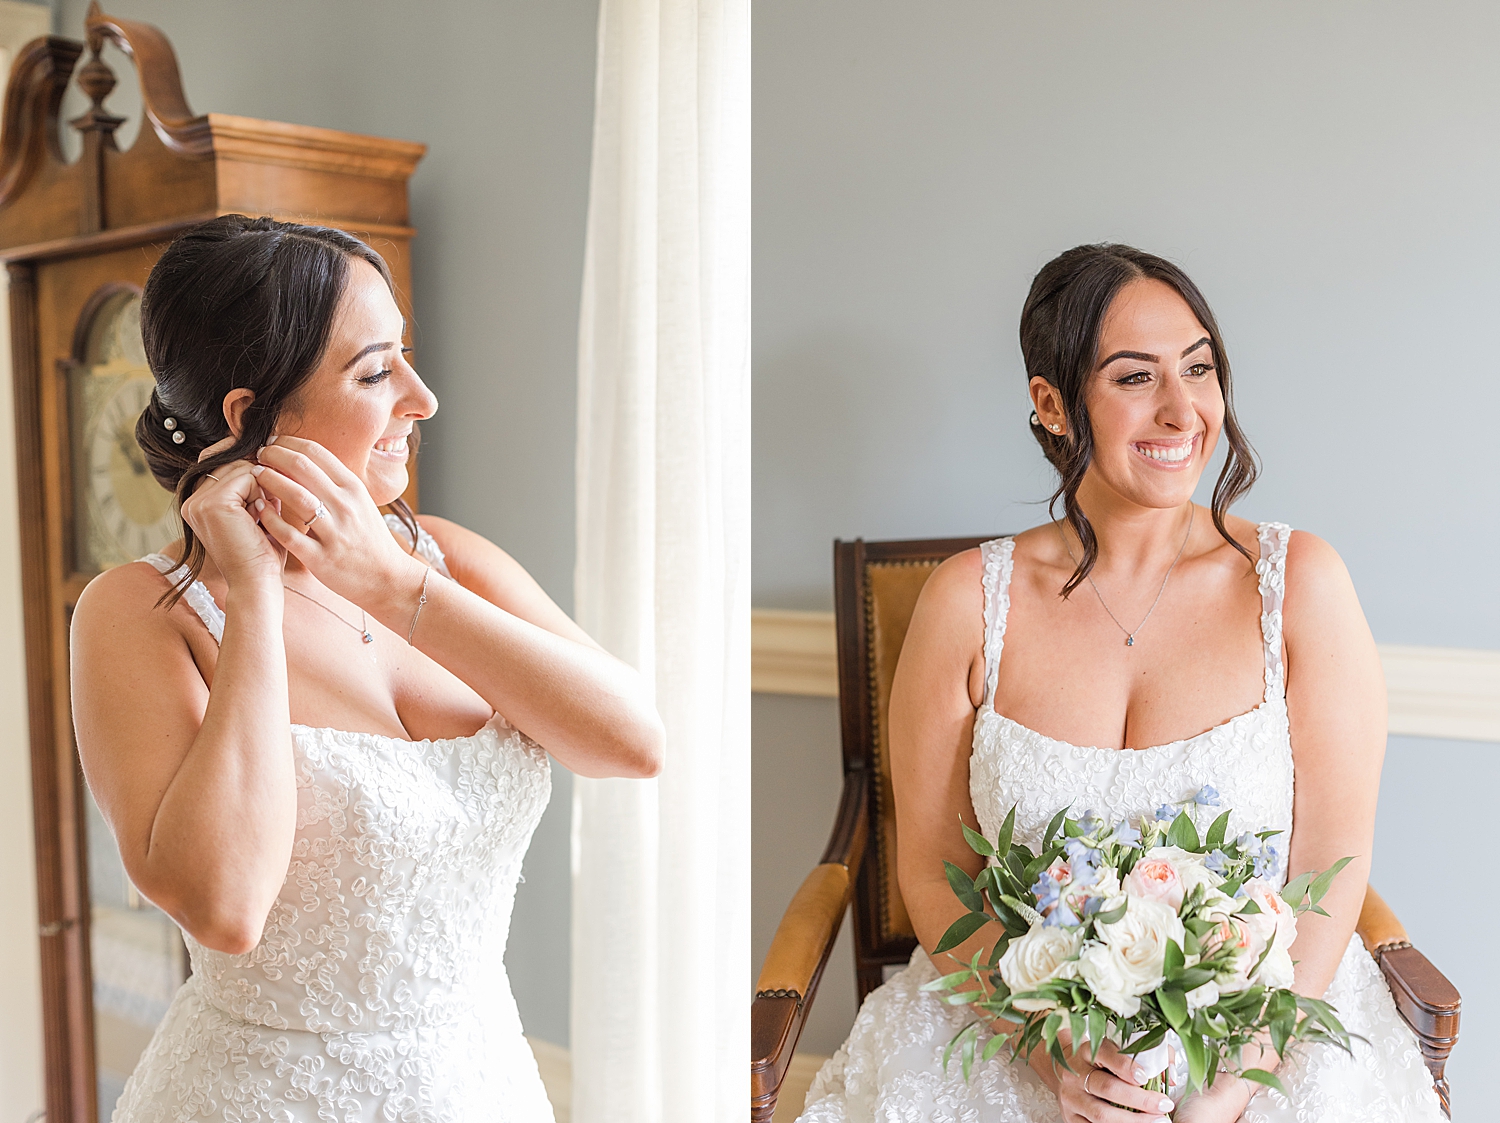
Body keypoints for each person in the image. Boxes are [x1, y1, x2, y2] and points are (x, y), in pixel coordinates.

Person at [798, 245, 1445, 1123]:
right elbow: (935, 868)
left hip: (1267, 1029)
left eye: (1200, 368)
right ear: (1053, 405)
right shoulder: (964, 603)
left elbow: (1330, 865)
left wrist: (1240, 1076)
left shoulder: (1301, 587)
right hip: (1015, 1026)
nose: (1183, 410)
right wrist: (1048, 1050)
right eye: (1136, 377)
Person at [70, 214, 665, 1122]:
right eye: (377, 371)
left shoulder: (451, 561)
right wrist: (256, 590)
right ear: (248, 417)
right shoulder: (138, 615)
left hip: (482, 1084)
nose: (422, 398)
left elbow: (634, 741)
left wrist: (395, 586)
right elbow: (225, 906)